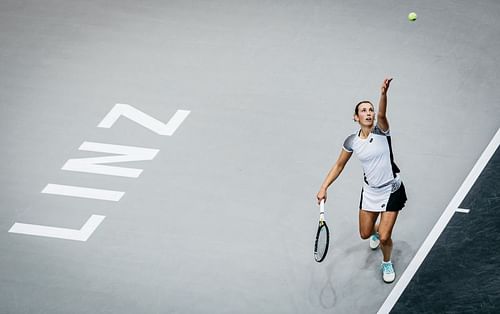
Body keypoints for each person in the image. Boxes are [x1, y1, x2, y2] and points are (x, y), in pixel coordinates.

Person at [316, 78, 407, 283]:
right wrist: (324, 187)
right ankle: (378, 230)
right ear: (356, 117)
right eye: (364, 111)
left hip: (392, 190)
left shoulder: (381, 131)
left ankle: (386, 262)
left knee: (384, 237)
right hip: (370, 192)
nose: (369, 113)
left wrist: (383, 94)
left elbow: (383, 114)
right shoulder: (352, 141)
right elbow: (339, 165)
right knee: (366, 234)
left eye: (371, 110)